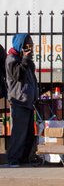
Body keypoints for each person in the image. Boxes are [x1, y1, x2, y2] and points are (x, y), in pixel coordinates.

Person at [4, 34, 39, 167]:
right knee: (19, 132)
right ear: (21, 45)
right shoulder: (11, 59)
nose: (30, 46)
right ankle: (13, 158)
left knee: (29, 133)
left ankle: (24, 157)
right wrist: (25, 59)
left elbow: (31, 78)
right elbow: (18, 75)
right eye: (27, 43)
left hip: (28, 100)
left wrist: (28, 60)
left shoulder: (24, 59)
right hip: (19, 100)